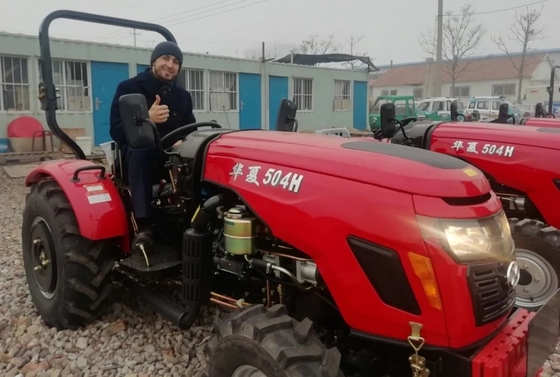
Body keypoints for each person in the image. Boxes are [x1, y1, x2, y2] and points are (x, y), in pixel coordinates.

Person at [109, 41, 196, 252]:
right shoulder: (128, 88)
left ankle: (197, 217)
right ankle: (144, 226)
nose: (170, 65)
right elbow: (116, 130)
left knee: (198, 153)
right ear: (154, 61)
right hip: (136, 157)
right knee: (142, 149)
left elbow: (190, 129)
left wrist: (183, 141)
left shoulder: (183, 96)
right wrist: (146, 118)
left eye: (176, 62)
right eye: (165, 58)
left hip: (168, 155)